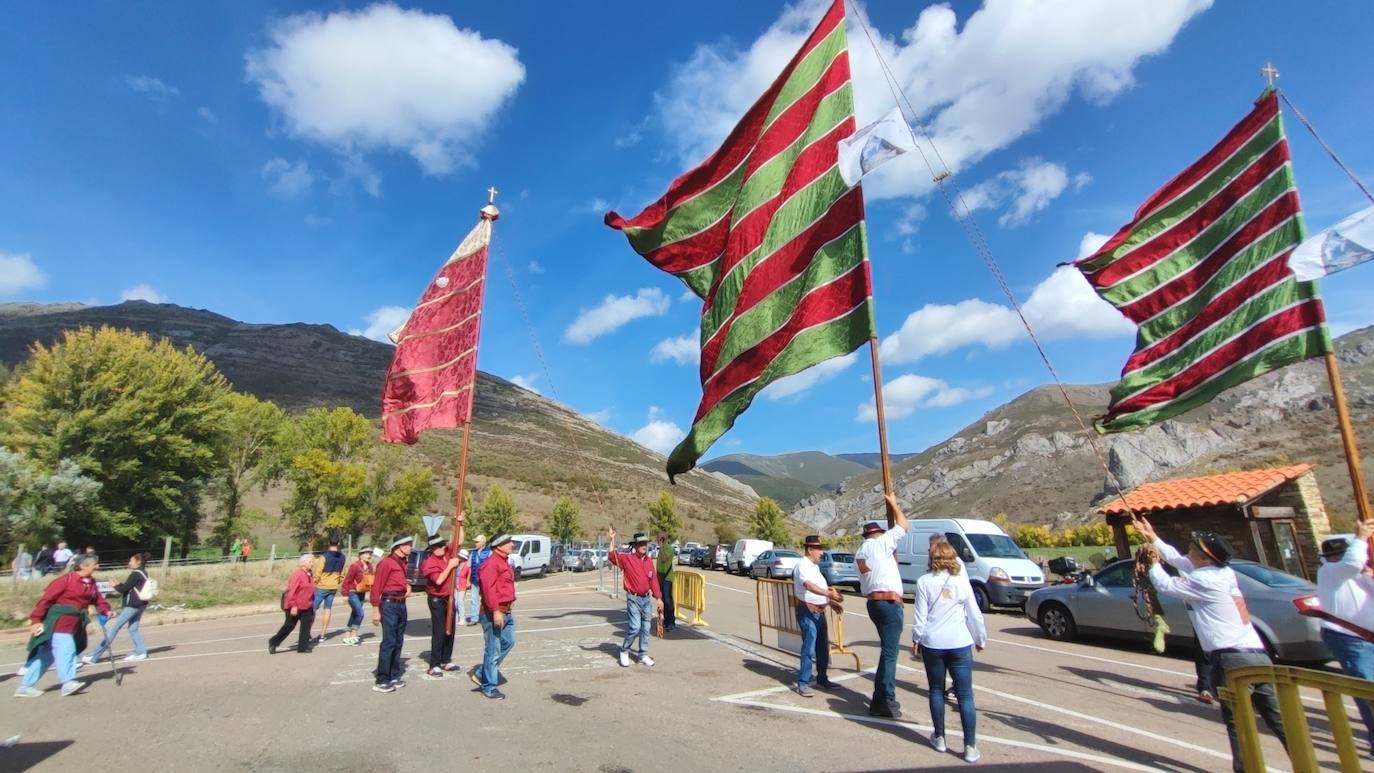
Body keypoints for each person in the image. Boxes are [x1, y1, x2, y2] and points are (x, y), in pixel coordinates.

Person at [1136, 517, 1287, 771]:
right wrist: (1153, 538)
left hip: (1232, 659)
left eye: (1194, 548)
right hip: (1257, 654)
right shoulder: (1222, 573)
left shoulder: (1204, 581)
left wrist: (1151, 563)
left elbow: (1166, 584)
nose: (1190, 550)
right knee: (1278, 718)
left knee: (1237, 722)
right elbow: (1178, 560)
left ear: (1206, 559)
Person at [912, 541, 987, 763]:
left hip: (933, 641)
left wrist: (916, 638)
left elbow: (920, 616)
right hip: (959, 641)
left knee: (936, 690)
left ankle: (940, 737)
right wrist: (980, 638)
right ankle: (970, 746)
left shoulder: (924, 582)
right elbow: (974, 614)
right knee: (965, 694)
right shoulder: (962, 583)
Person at [15, 554, 110, 698]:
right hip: (58, 622)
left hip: (74, 623)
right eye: (94, 564)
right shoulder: (65, 580)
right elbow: (46, 600)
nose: (97, 566)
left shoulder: (91, 582)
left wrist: (106, 610)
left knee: (46, 656)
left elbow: (97, 599)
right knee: (67, 649)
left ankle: (25, 686)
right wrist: (36, 620)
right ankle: (68, 683)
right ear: (84, 566)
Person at [1316, 520, 1374, 754]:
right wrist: (1360, 538)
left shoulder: (1359, 575)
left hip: (1367, 639)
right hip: (1351, 639)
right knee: (1368, 691)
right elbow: (1351, 563)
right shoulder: (1330, 571)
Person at [855, 492, 910, 718]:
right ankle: (885, 700)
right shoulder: (882, 543)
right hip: (888, 602)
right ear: (878, 533)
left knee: (887, 651)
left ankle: (880, 697)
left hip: (873, 603)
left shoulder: (861, 551)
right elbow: (904, 525)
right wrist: (893, 504)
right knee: (890, 653)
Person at [793, 535, 842, 696]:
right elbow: (809, 585)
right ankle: (803, 682)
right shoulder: (802, 566)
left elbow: (818, 588)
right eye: (819, 549)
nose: (821, 553)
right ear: (810, 550)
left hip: (819, 611)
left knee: (822, 647)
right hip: (807, 611)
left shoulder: (814, 567)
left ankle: (822, 678)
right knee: (809, 646)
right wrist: (828, 593)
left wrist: (829, 601)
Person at [606, 528, 663, 667]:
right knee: (635, 627)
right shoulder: (627, 559)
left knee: (645, 629)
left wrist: (659, 598)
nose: (644, 546)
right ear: (635, 546)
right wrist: (612, 539)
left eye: (645, 543)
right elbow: (612, 556)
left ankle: (642, 654)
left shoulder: (649, 561)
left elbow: (653, 580)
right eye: (641, 543)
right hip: (633, 599)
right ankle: (624, 651)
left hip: (646, 600)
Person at [83, 553, 151, 664]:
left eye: (131, 561)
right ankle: (140, 652)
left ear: (138, 562)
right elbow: (130, 587)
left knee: (114, 628)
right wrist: (118, 584)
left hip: (133, 605)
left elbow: (124, 590)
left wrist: (114, 585)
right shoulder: (143, 573)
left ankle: (94, 656)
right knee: (133, 628)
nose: (129, 563)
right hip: (141, 604)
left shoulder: (135, 574)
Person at [476, 533, 517, 699]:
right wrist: (495, 611)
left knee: (509, 641)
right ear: (499, 546)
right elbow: (488, 590)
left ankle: (482, 672)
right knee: (493, 650)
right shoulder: (491, 564)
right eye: (508, 542)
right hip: (494, 612)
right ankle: (489, 686)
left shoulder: (504, 562)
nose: (512, 544)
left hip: (506, 611)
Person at [370, 535, 413, 693]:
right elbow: (377, 587)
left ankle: (394, 674)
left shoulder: (403, 562)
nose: (410, 547)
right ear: (399, 546)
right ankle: (382, 679)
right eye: (407, 544)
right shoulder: (387, 563)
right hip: (389, 604)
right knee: (389, 641)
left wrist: (406, 586)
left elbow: (400, 580)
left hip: (401, 603)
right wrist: (375, 609)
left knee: (398, 640)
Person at [420, 535, 462, 676]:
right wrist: (450, 566)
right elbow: (438, 580)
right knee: (439, 632)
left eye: (440, 546)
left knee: (450, 630)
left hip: (449, 598)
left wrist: (459, 521)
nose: (438, 549)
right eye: (434, 547)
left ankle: (446, 660)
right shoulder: (429, 562)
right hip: (437, 599)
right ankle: (434, 664)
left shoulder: (447, 552)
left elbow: (459, 540)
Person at [267, 554, 316, 655]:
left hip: (307, 605)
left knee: (306, 626)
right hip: (296, 605)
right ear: (303, 563)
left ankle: (303, 647)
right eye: (310, 562)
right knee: (289, 626)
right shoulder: (297, 574)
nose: (312, 563)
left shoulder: (309, 574)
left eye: (312, 561)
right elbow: (291, 591)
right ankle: (273, 642)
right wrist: (293, 605)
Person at [312, 536, 346, 641]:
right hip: (333, 586)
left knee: (312, 609)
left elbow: (318, 571)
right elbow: (343, 572)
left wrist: (315, 581)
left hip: (322, 586)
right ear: (339, 543)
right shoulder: (342, 557)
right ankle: (323, 634)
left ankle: (307, 632)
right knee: (328, 609)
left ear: (328, 543)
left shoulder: (324, 556)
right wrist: (338, 581)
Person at [340, 547, 374, 646]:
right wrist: (345, 594)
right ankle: (354, 634)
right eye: (367, 553)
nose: (369, 555)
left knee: (354, 613)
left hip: (362, 592)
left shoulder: (370, 566)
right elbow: (347, 580)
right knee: (360, 613)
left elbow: (371, 579)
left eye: (370, 553)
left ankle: (347, 635)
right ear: (360, 555)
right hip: (352, 592)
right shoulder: (355, 566)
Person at [655, 533, 677, 633]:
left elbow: (664, 559)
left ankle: (671, 622)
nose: (657, 540)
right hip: (660, 577)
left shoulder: (668, 548)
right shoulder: (661, 549)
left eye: (659, 538)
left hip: (667, 578)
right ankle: (665, 620)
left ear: (663, 539)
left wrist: (662, 546)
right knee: (662, 600)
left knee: (668, 600)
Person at [467, 534, 489, 626]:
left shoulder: (489, 552)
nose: (475, 543)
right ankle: (474, 618)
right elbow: (469, 567)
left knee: (487, 598)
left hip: (485, 580)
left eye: (477, 542)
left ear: (482, 542)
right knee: (474, 599)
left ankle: (486, 616)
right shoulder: (473, 553)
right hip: (474, 579)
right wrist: (468, 580)